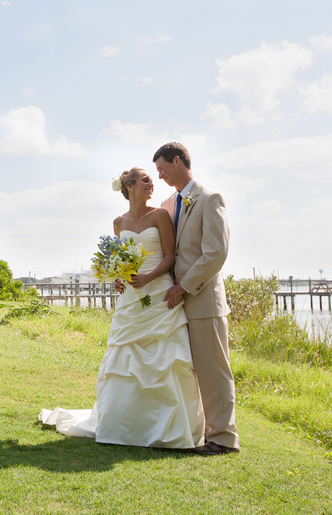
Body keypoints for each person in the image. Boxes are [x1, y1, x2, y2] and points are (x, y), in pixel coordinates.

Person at [39, 167, 205, 449]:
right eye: (145, 180)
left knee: (165, 357)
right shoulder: (118, 222)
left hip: (158, 292)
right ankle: (124, 425)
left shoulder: (160, 216)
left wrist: (148, 278)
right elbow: (119, 256)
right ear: (129, 187)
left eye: (152, 181)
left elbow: (169, 256)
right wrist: (118, 278)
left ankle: (170, 426)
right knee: (125, 356)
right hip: (131, 296)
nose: (151, 184)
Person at [152, 142, 240, 456]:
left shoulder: (210, 198)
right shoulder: (166, 203)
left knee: (214, 370)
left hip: (202, 300)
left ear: (178, 161)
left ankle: (224, 439)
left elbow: (216, 252)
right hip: (172, 304)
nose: (159, 176)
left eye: (162, 168)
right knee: (185, 370)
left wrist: (184, 286)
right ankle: (196, 431)